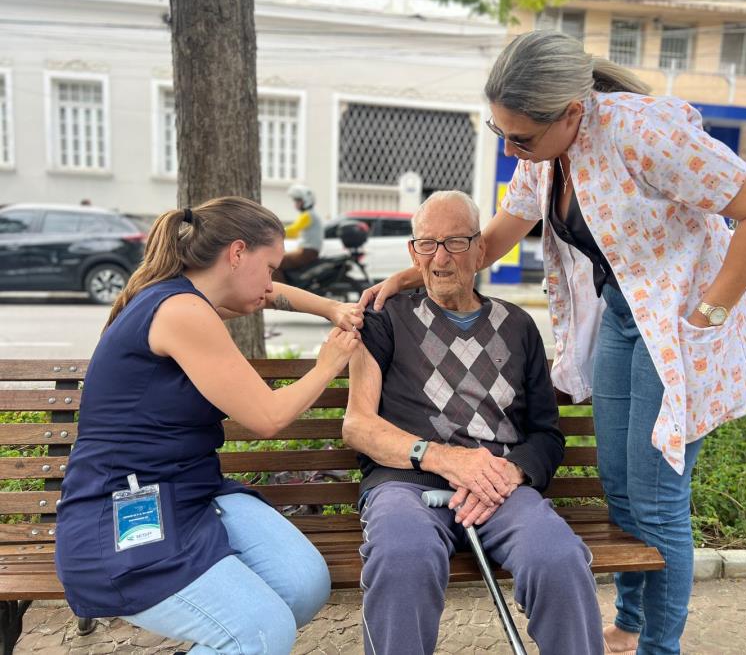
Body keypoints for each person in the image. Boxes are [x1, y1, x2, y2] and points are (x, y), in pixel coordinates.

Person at [361, 31, 746, 655]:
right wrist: (416, 271)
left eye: (520, 137)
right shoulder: (544, 152)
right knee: (619, 486)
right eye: (500, 132)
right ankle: (631, 622)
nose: (510, 148)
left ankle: (658, 647)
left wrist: (706, 316)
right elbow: (496, 236)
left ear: (570, 113)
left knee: (658, 498)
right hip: (620, 316)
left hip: (678, 325)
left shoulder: (642, 133)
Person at [55, 196, 363, 655]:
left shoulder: (186, 295)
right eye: (269, 266)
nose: (271, 282)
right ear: (237, 253)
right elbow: (267, 417)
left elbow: (269, 295)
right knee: (262, 632)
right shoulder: (181, 311)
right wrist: (328, 364)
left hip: (193, 493)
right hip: (124, 509)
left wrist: (332, 309)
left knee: (303, 585)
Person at [343, 191, 604, 655]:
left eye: (456, 242)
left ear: (481, 249)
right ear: (413, 253)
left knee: (559, 559)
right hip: (406, 484)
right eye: (428, 244)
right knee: (403, 557)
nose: (441, 258)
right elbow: (358, 426)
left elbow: (546, 435)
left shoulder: (518, 325)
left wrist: (510, 471)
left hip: (497, 487)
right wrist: (445, 460)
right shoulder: (384, 320)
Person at [277, 183, 324, 278]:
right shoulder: (310, 214)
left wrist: (275, 233)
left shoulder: (307, 215)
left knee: (276, 262)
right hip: (307, 251)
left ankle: (280, 287)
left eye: (298, 201)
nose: (295, 204)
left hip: (306, 252)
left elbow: (294, 230)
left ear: (306, 201)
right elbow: (295, 233)